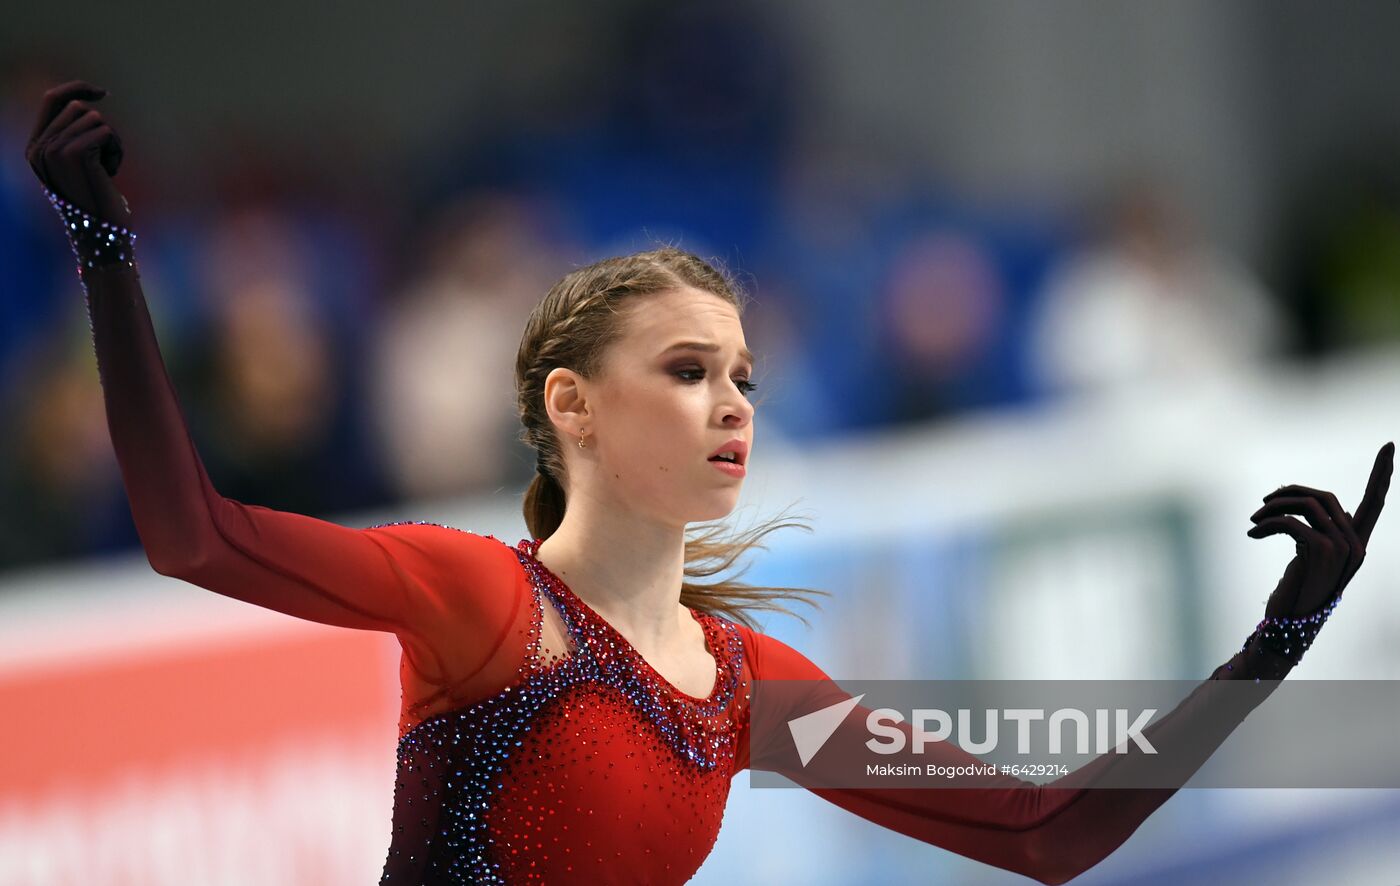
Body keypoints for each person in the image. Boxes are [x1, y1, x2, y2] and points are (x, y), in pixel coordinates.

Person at [24, 80, 1393, 886]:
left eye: (742, 372)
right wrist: (102, 244)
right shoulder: (480, 601)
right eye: (687, 371)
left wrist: (1277, 640)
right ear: (572, 408)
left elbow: (1045, 834)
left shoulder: (746, 684)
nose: (734, 402)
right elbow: (193, 536)